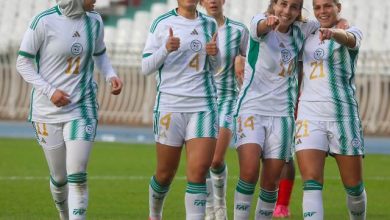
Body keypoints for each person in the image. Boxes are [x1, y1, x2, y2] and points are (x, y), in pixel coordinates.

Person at [15, 0, 123, 219]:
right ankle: (64, 215)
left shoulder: (95, 21)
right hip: (46, 111)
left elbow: (100, 53)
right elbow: (22, 63)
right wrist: (50, 91)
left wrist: (110, 74)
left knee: (77, 173)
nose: (96, 1)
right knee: (59, 176)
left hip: (82, 107)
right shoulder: (43, 22)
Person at [233, 0, 320, 219]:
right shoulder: (259, 24)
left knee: (271, 182)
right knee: (249, 172)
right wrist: (267, 22)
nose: (287, 11)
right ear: (273, 5)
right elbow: (259, 26)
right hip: (251, 109)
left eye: (293, 7)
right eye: (282, 4)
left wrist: (343, 22)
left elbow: (327, 20)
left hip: (282, 115)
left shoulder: (302, 30)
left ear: (299, 11)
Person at [141, 0, 220, 219]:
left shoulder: (210, 24)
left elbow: (214, 68)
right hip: (170, 106)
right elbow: (146, 67)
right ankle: (154, 214)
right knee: (165, 174)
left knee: (198, 172)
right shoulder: (161, 23)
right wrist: (165, 50)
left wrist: (215, 54)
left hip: (203, 105)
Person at [295, 0, 366, 219]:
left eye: (328, 6)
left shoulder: (351, 30)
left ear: (338, 7)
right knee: (311, 182)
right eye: (317, 7)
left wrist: (334, 33)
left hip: (342, 116)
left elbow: (350, 39)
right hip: (309, 115)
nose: (322, 11)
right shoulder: (307, 32)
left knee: (354, 187)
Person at [199, 0, 249, 219]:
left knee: (216, 160)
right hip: (200, 100)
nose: (213, 1)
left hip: (228, 98)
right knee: (202, 162)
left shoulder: (238, 30)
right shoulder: (193, 28)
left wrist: (242, 60)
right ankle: (212, 209)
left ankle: (220, 205)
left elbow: (256, 59)